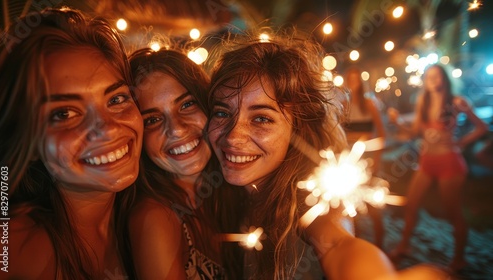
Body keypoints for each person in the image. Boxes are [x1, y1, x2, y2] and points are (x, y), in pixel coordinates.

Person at [206, 32, 450, 279]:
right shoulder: (217, 194)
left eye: (261, 118)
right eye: (222, 113)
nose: (232, 137)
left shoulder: (310, 206)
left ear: (299, 128)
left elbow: (337, 244)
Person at [0, 8, 143, 279]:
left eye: (117, 99)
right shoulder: (6, 248)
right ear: (28, 141)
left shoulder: (151, 219)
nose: (108, 129)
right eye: (64, 114)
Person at [127, 47, 226, 279]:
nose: (176, 129)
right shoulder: (155, 218)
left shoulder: (228, 192)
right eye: (152, 119)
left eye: (187, 105)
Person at [388, 64, 488, 271]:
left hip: (450, 163)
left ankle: (459, 259)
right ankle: (404, 246)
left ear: (445, 79)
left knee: (453, 213)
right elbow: (414, 131)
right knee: (411, 203)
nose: (433, 80)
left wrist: (461, 142)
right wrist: (397, 122)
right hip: (427, 162)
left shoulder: (457, 102)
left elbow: (482, 127)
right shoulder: (422, 103)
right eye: (429, 76)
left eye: (437, 76)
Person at [343, 66, 387, 249]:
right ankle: (357, 244)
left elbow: (382, 134)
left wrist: (376, 160)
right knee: (351, 203)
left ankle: (379, 243)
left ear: (361, 83)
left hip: (367, 160)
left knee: (371, 203)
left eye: (356, 80)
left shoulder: (369, 104)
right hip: (349, 160)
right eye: (350, 80)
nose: (353, 83)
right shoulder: (344, 105)